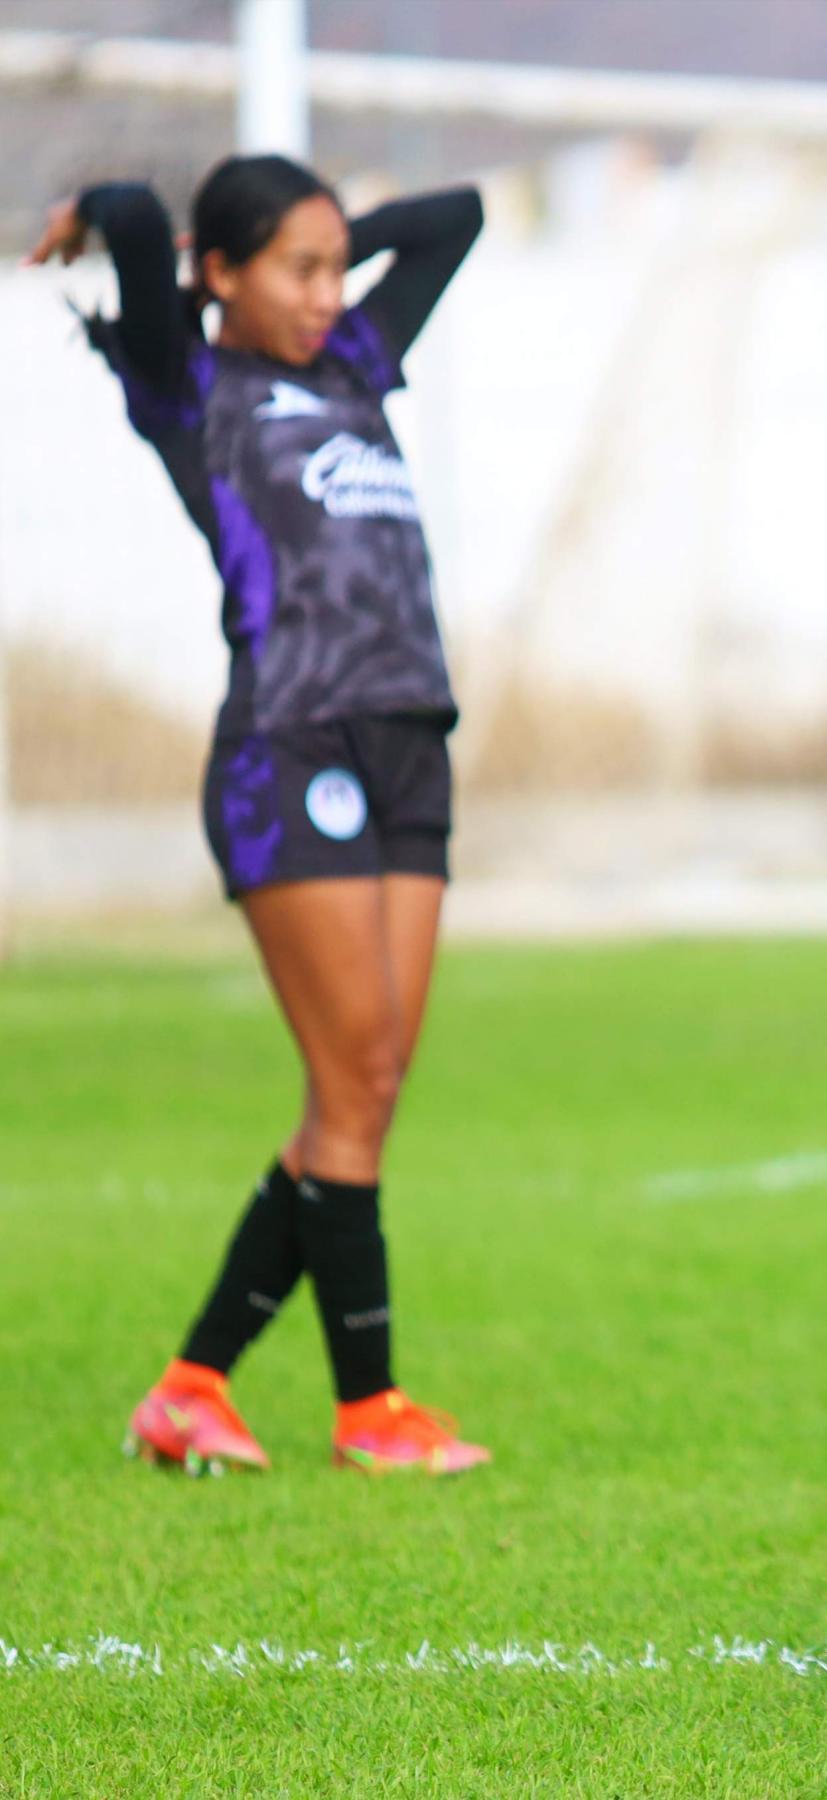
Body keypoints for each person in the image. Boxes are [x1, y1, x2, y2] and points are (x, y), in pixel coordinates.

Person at [25, 155, 489, 1476]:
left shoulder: (351, 356)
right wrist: (136, 232)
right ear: (218, 274)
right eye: (297, 266)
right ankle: (370, 1411)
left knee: (371, 1084)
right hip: (290, 750)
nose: (329, 289)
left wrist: (328, 235)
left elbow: (453, 217)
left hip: (411, 746)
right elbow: (120, 211)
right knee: (349, 1086)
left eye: (338, 266)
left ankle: (190, 1389)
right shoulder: (192, 387)